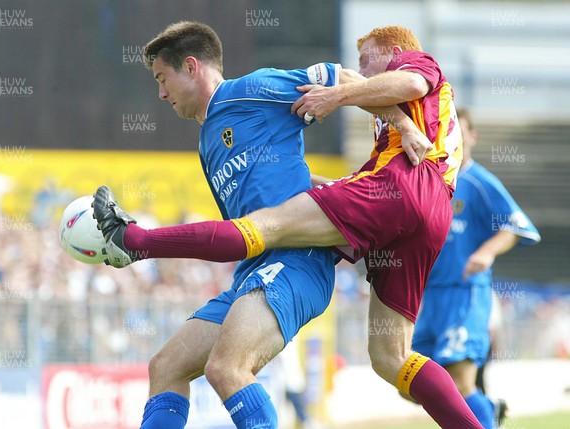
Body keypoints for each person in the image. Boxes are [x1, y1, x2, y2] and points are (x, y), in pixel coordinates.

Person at [95, 25, 485, 428]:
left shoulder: (253, 89)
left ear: (191, 67)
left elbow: (348, 78)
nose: (161, 93)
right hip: (276, 263)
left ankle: (135, 239)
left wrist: (394, 121)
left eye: (162, 79)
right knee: (166, 366)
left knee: (228, 365)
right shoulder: (207, 141)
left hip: (298, 261)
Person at [411, 108, 540, 428]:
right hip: (428, 297)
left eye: (458, 131)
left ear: (471, 137)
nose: (451, 137)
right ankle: (487, 409)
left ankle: (482, 417)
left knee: (458, 379)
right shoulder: (431, 180)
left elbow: (516, 226)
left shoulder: (479, 182)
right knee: (413, 382)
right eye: (445, 131)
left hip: (466, 293)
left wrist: (486, 252)